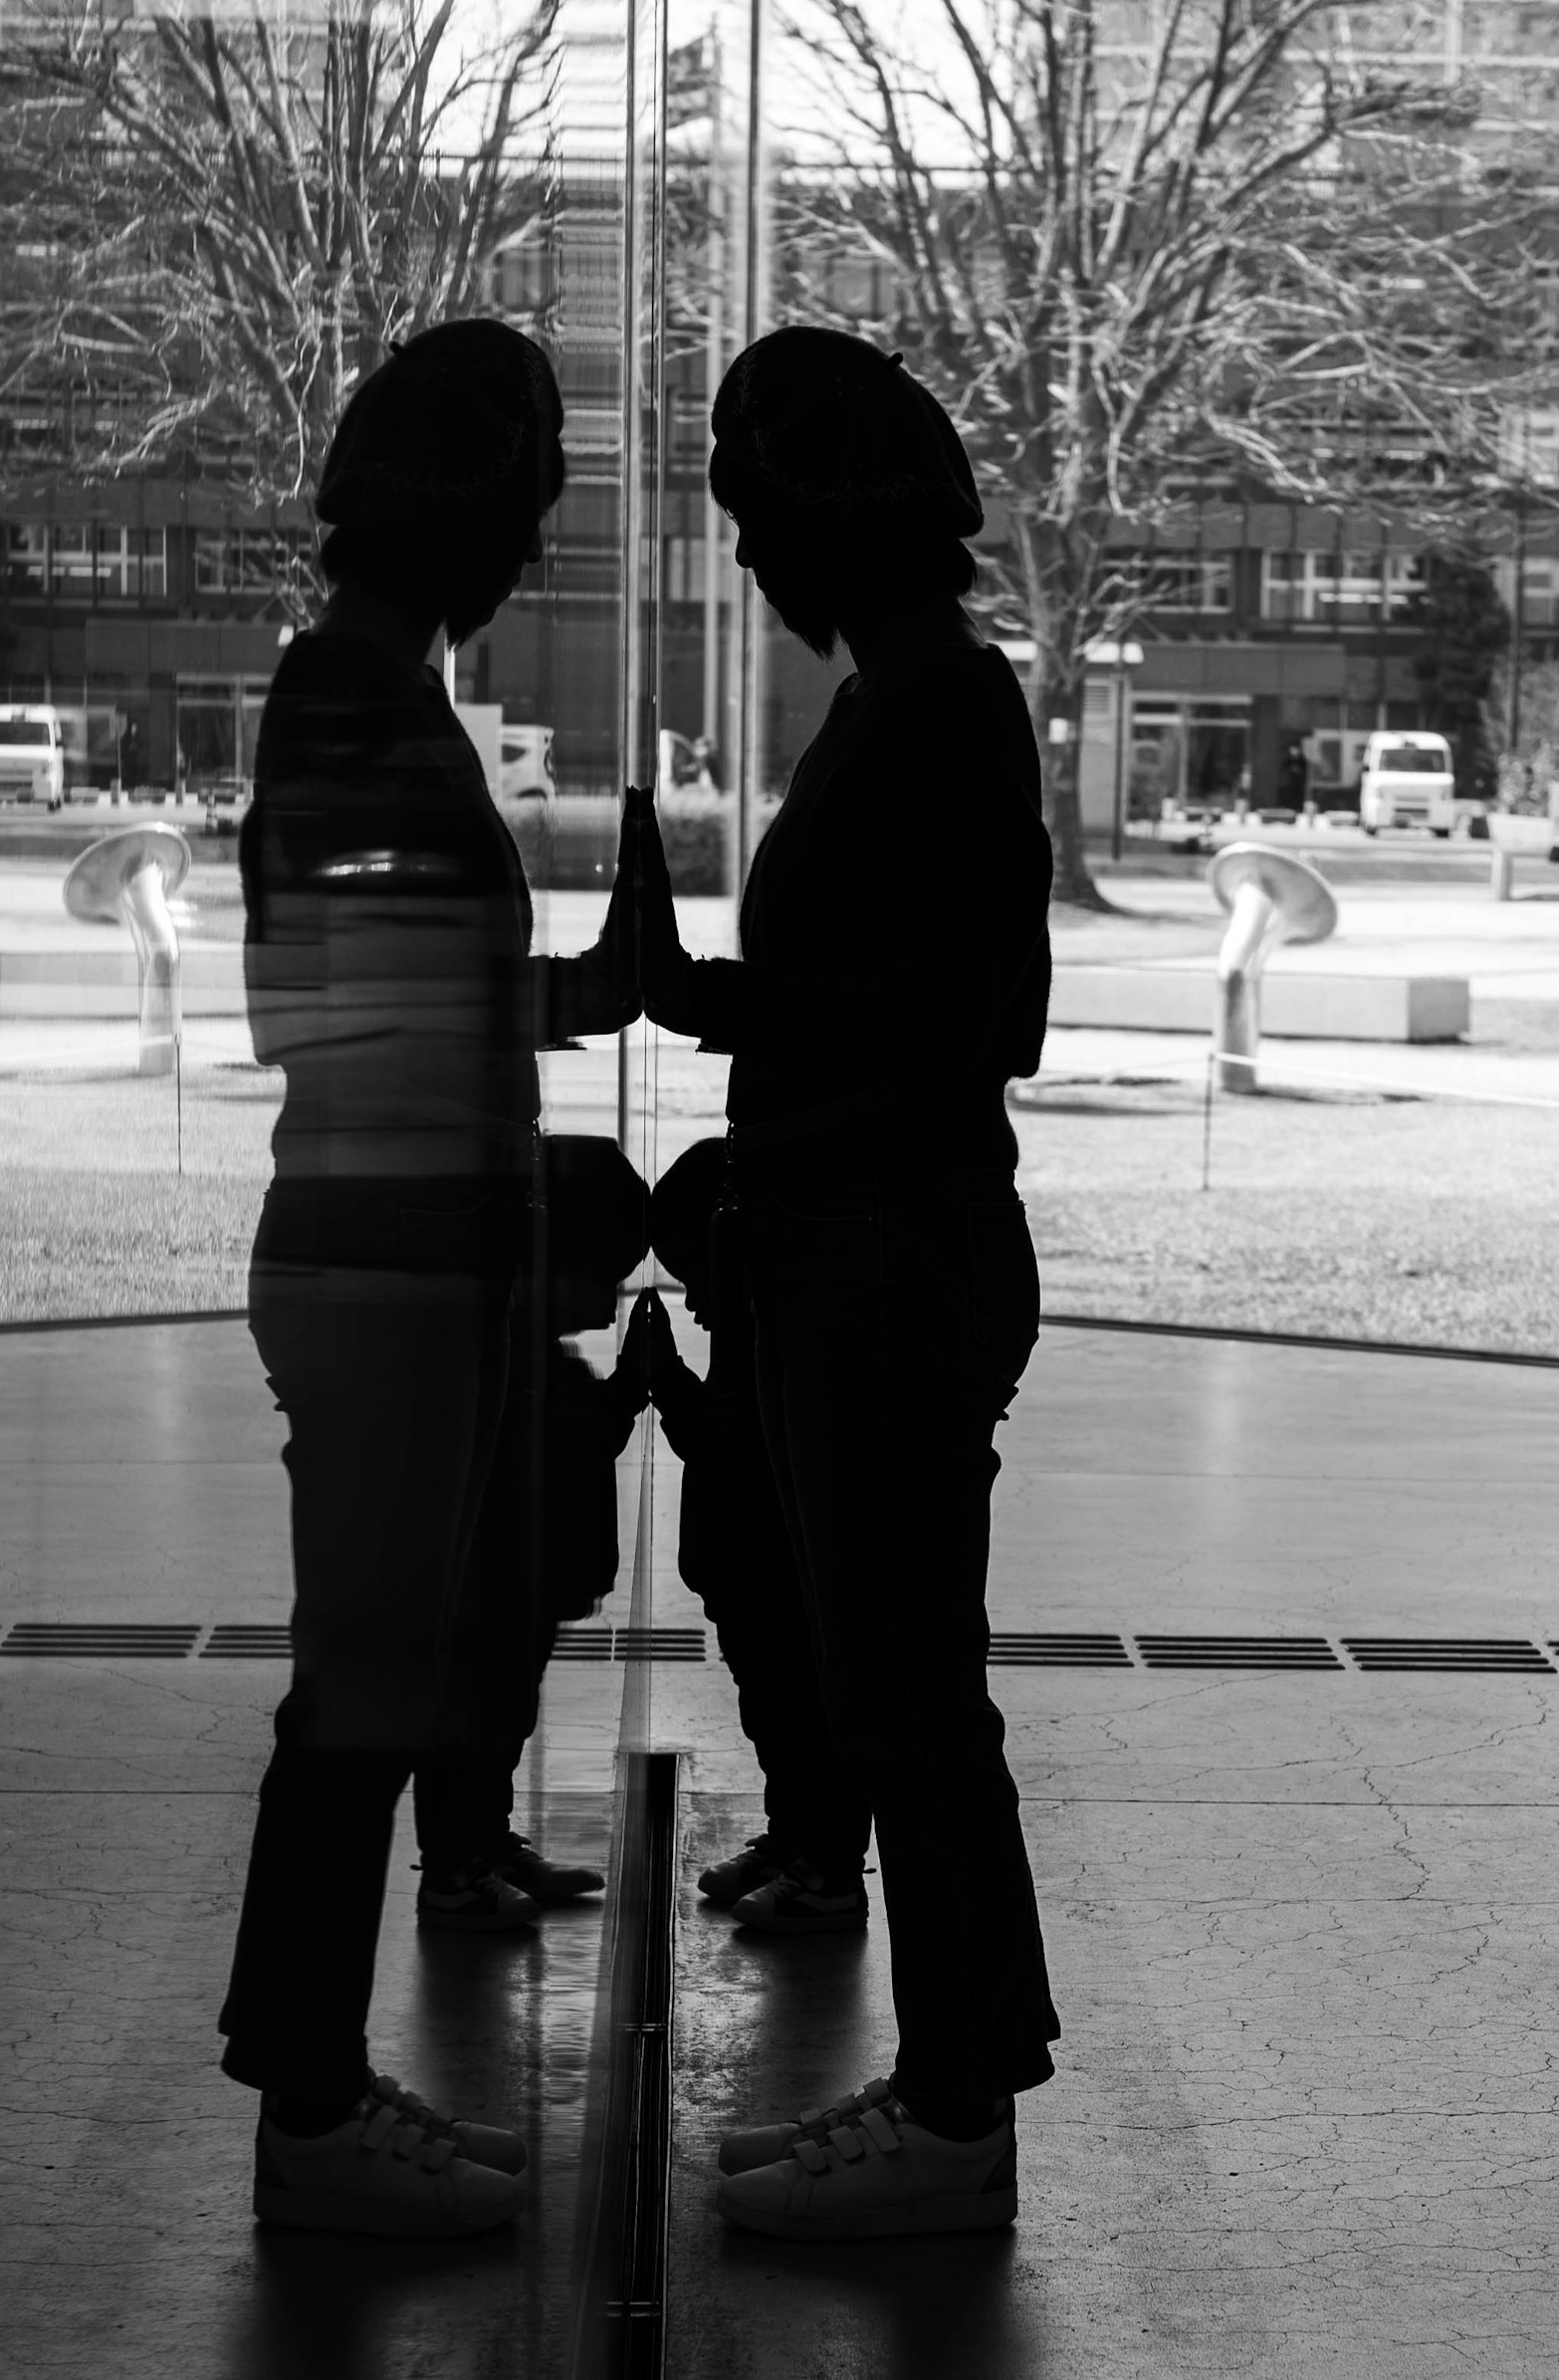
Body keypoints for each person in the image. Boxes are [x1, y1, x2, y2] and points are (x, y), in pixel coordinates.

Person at [627, 327, 1061, 2240]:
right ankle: (952, 2092)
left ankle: (960, 2103)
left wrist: (721, 999)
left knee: (908, 1701)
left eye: (754, 523)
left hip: (884, 1266)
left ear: (826, 517)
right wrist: (725, 1003)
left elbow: (974, 1021)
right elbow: (937, 1011)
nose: (748, 565)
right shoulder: (920, 698)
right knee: (903, 1692)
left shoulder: (930, 711)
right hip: (869, 1254)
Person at [217, 320, 641, 2238]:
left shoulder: (367, 694)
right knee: (361, 1696)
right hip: (386, 1272)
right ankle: (308, 2101)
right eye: (530, 507)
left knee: (368, 1688)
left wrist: (557, 1004)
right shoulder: (353, 702)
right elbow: (316, 1005)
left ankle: (315, 2092)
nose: (531, 550)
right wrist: (514, 1027)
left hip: (404, 1262)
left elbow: (362, 997)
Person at [628, 1143, 848, 1934]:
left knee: (800, 1712)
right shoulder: (753, 1339)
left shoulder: (773, 1349)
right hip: (743, 1570)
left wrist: (666, 1385)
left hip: (764, 1569)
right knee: (775, 1713)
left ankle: (823, 1862)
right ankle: (797, 1841)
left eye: (699, 1279)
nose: (692, 1302)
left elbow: (733, 1449)